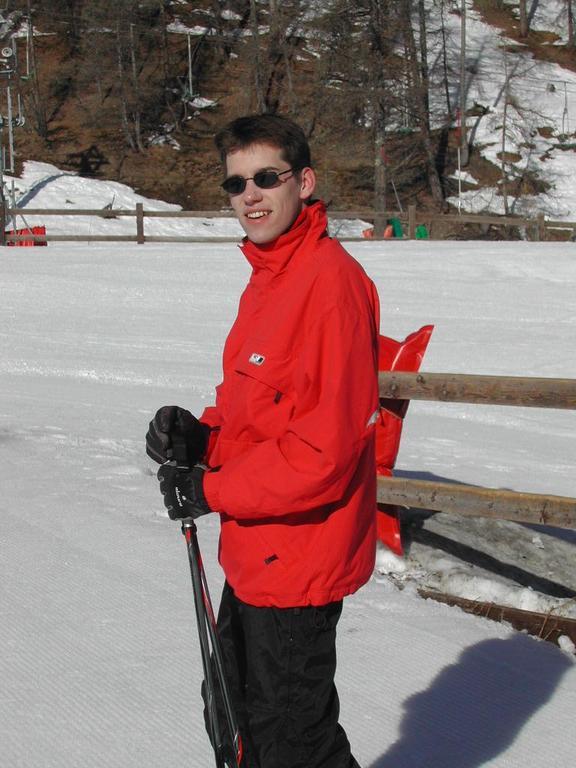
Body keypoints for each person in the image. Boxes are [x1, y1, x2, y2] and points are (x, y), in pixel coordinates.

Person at [146, 114, 380, 768]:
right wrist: (200, 436)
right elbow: (257, 412)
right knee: (233, 718)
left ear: (303, 182)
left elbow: (322, 454)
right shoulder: (270, 277)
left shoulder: (330, 286)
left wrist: (211, 490)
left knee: (290, 745)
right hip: (257, 556)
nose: (249, 195)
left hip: (299, 561)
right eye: (236, 183)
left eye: (266, 178)